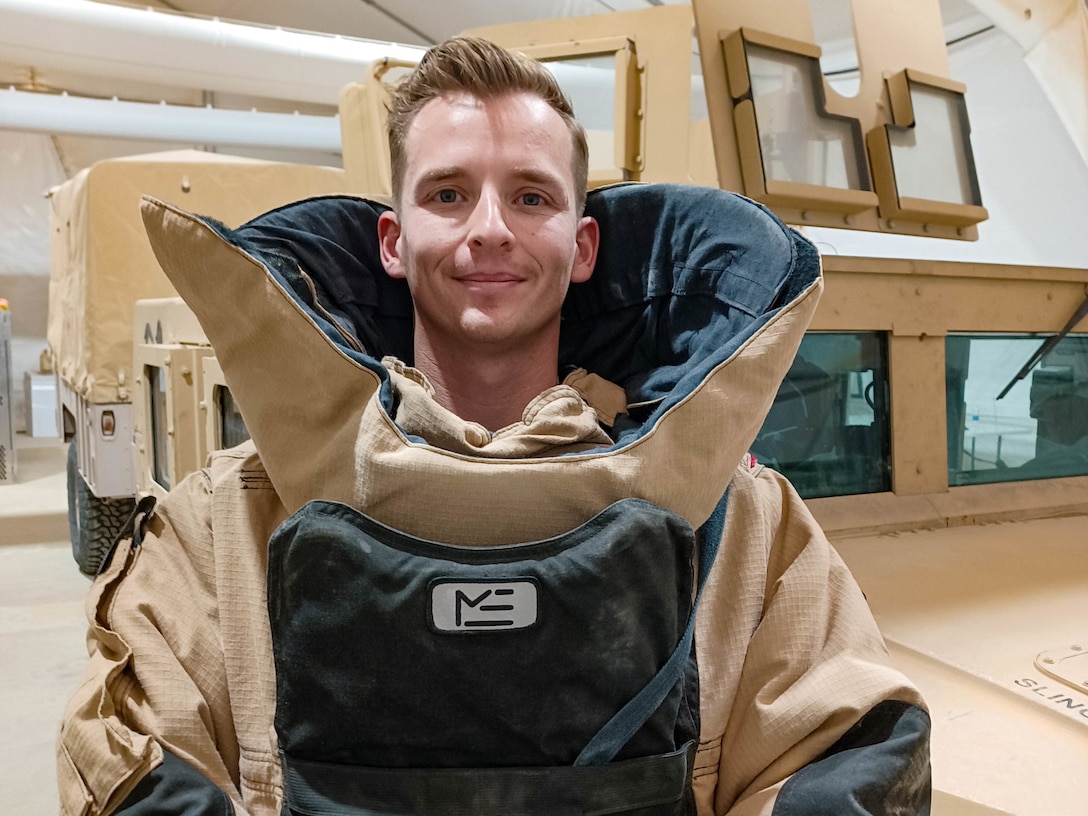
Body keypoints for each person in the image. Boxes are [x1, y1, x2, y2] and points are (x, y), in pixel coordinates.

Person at [57, 36, 930, 816]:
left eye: (530, 198)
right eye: (448, 193)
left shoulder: (737, 516)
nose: (488, 230)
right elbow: (140, 753)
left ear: (582, 246)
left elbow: (834, 742)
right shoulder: (227, 520)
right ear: (392, 242)